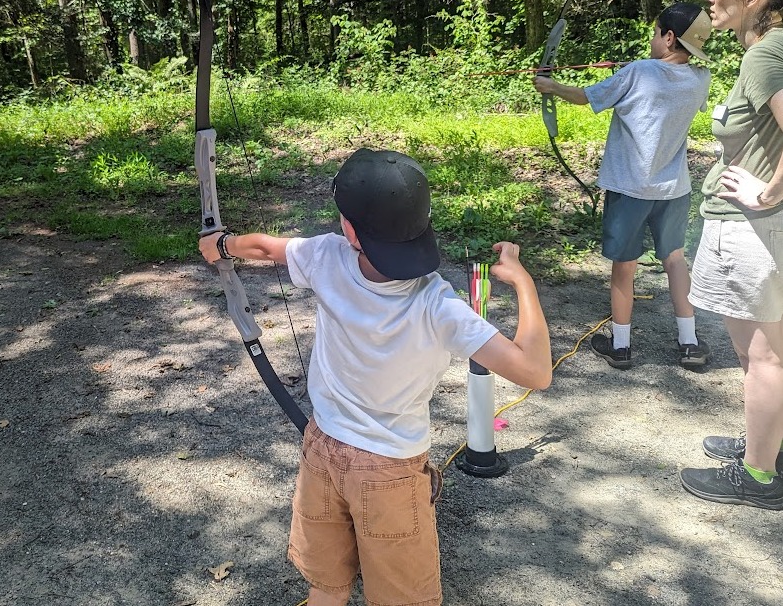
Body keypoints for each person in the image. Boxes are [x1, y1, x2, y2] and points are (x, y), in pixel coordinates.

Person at [199, 148, 552, 606]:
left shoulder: (326, 255)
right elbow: (535, 371)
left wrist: (221, 244)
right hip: (390, 469)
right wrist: (523, 282)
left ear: (350, 230)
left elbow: (265, 247)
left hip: (321, 450)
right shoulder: (438, 304)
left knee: (326, 587)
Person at [533, 3, 712, 369]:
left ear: (669, 37)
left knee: (625, 265)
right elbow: (664, 82)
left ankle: (622, 345)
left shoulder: (638, 72)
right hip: (674, 189)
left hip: (631, 188)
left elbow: (586, 96)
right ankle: (690, 342)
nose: (652, 39)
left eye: (656, 33)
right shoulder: (700, 78)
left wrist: (549, 85)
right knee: (675, 259)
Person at [679, 0, 783, 510]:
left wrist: (766, 193)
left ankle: (760, 477)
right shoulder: (772, 50)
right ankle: (767, 447)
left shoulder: (765, 56)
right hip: (757, 230)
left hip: (752, 229)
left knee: (763, 357)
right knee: (764, 355)